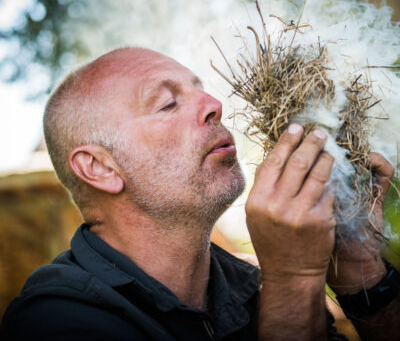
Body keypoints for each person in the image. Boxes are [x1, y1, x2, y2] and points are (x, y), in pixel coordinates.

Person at [1, 47, 399, 340]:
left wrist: (361, 276)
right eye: (168, 103)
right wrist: (294, 281)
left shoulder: (255, 286)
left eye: (202, 91)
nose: (215, 105)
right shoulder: (54, 323)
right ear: (100, 168)